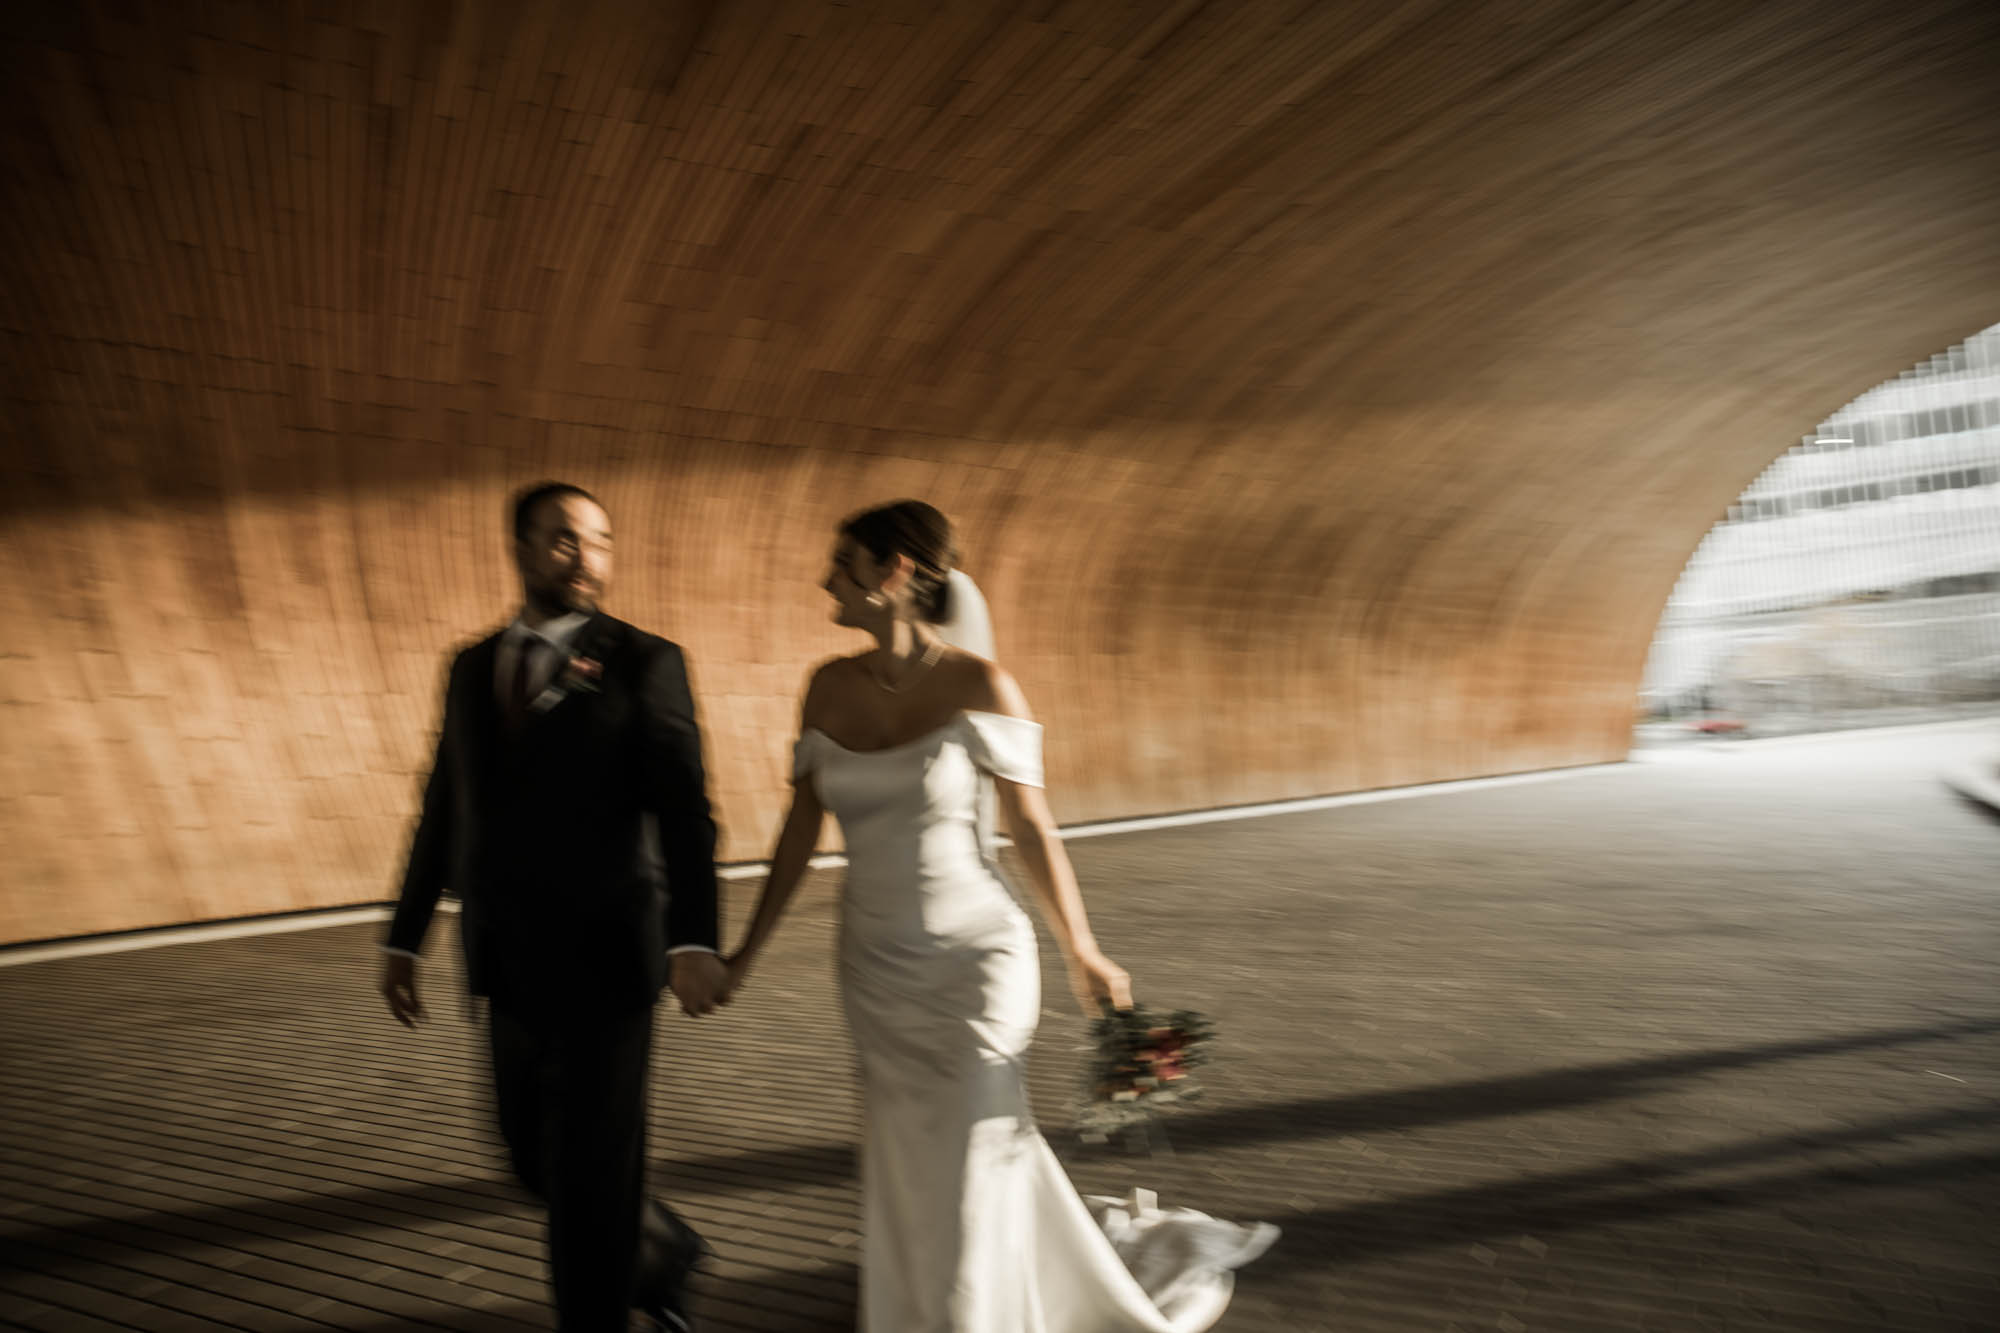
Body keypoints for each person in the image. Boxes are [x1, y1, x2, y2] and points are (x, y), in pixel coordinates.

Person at [722, 500, 1275, 1332]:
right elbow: (800, 833)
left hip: (975, 958)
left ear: (894, 570)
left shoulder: (980, 683)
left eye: (842, 561)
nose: (825, 579)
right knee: (911, 1156)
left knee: (975, 1145)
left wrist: (1084, 950)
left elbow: (1029, 826)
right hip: (873, 966)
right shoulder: (826, 688)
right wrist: (743, 954)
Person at [378, 481, 728, 1333]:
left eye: (600, 541)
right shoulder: (469, 666)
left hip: (610, 956)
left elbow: (686, 810)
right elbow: (443, 805)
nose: (586, 557)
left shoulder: (647, 660)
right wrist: (406, 936)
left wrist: (693, 937)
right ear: (522, 548)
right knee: (529, 1152)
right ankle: (659, 1247)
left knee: (592, 1173)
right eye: (566, 539)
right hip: (504, 958)